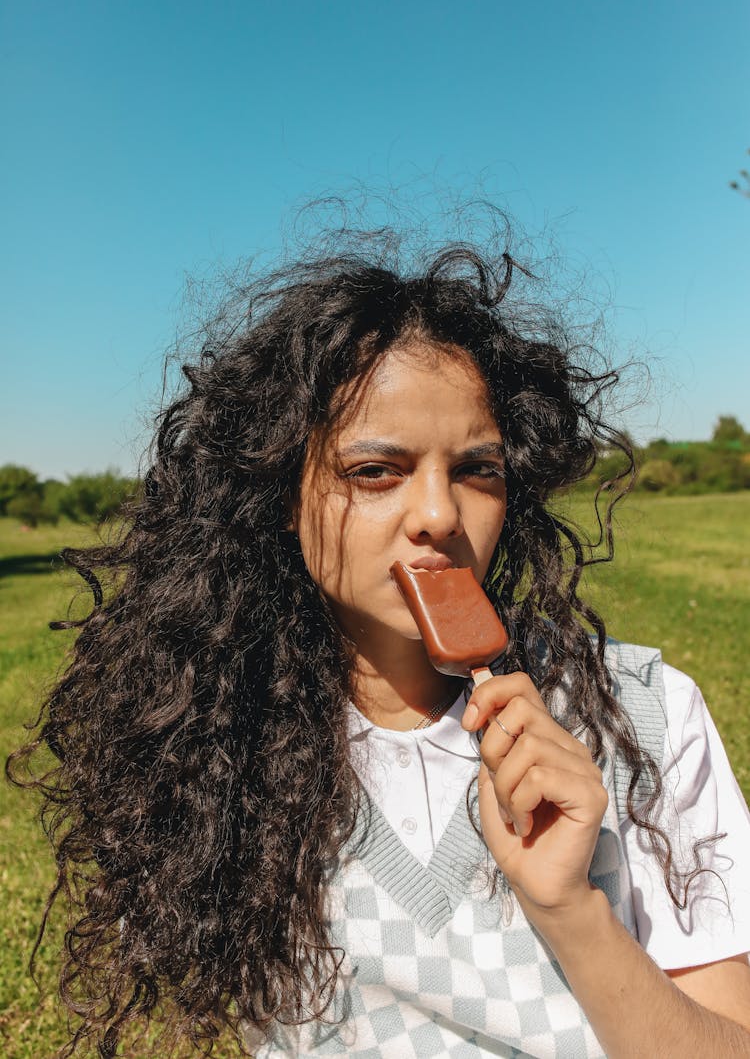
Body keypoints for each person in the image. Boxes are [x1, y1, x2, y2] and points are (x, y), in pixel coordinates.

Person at [10, 237, 750, 1058]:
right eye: (374, 470)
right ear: (281, 494)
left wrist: (572, 910)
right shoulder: (221, 734)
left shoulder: (643, 716)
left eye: (477, 468)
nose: (438, 512)